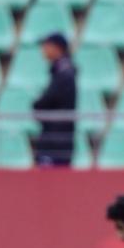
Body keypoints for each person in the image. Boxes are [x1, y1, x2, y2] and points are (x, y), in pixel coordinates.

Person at [32, 32, 77, 166]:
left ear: (57, 48)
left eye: (46, 46)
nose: (43, 50)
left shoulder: (64, 73)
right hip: (57, 138)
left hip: (56, 140)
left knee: (50, 181)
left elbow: (48, 100)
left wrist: (37, 104)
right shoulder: (62, 70)